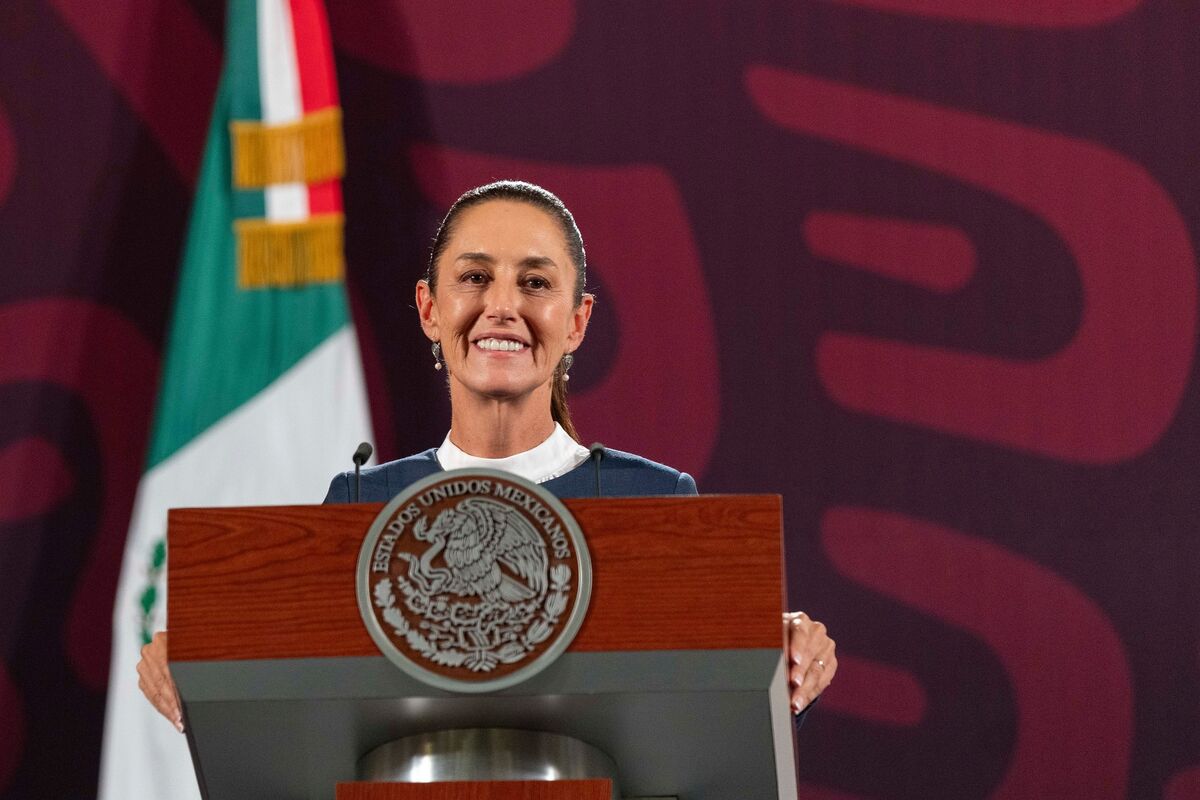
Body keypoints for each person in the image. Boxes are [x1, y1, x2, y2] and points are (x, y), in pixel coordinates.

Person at [137, 180, 837, 732]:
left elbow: (711, 717)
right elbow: (294, 702)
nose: (502, 306)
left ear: (577, 321)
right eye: (474, 278)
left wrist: (784, 663)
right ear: (429, 309)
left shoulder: (651, 502)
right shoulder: (361, 505)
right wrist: (193, 664)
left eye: (535, 283)